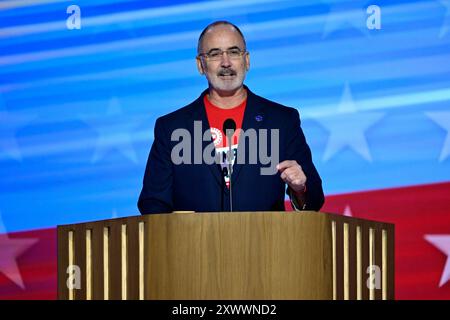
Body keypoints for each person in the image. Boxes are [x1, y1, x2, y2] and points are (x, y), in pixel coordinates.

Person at [138, 21, 324, 214]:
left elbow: (314, 199)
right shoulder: (171, 128)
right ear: (200, 65)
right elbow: (153, 204)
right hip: (194, 243)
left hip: (266, 241)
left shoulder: (282, 121)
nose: (226, 62)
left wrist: (300, 189)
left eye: (234, 52)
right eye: (215, 54)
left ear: (247, 61)